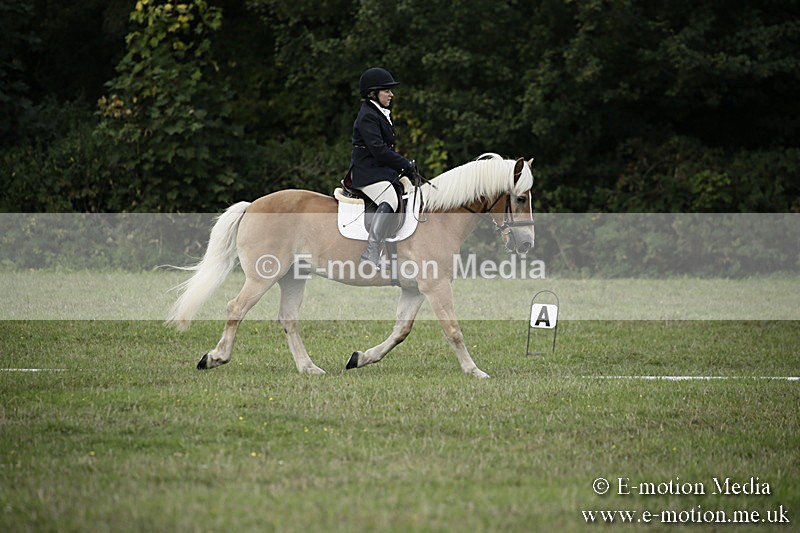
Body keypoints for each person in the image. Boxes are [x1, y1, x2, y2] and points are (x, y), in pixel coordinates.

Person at [350, 67, 417, 268]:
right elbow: (379, 150)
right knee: (390, 198)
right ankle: (371, 251)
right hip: (366, 172)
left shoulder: (379, 112)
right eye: (386, 91)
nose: (391, 94)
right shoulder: (368, 116)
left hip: (378, 170)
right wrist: (404, 164)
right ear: (373, 93)